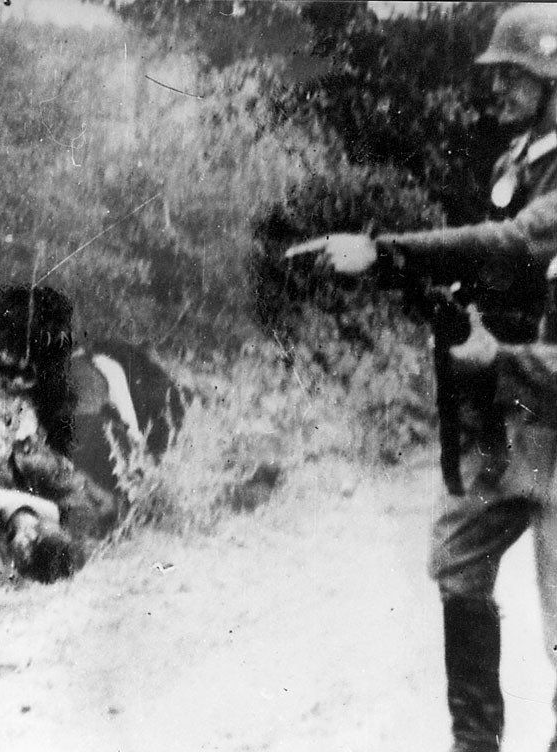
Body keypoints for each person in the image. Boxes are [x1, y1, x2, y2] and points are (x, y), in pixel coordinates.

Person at [302, 6, 557, 750]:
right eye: (494, 74)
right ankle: (474, 740)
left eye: (516, 74)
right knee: (456, 561)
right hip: (507, 414)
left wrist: (385, 249)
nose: (498, 87)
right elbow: (491, 268)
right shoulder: (517, 164)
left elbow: (514, 241)